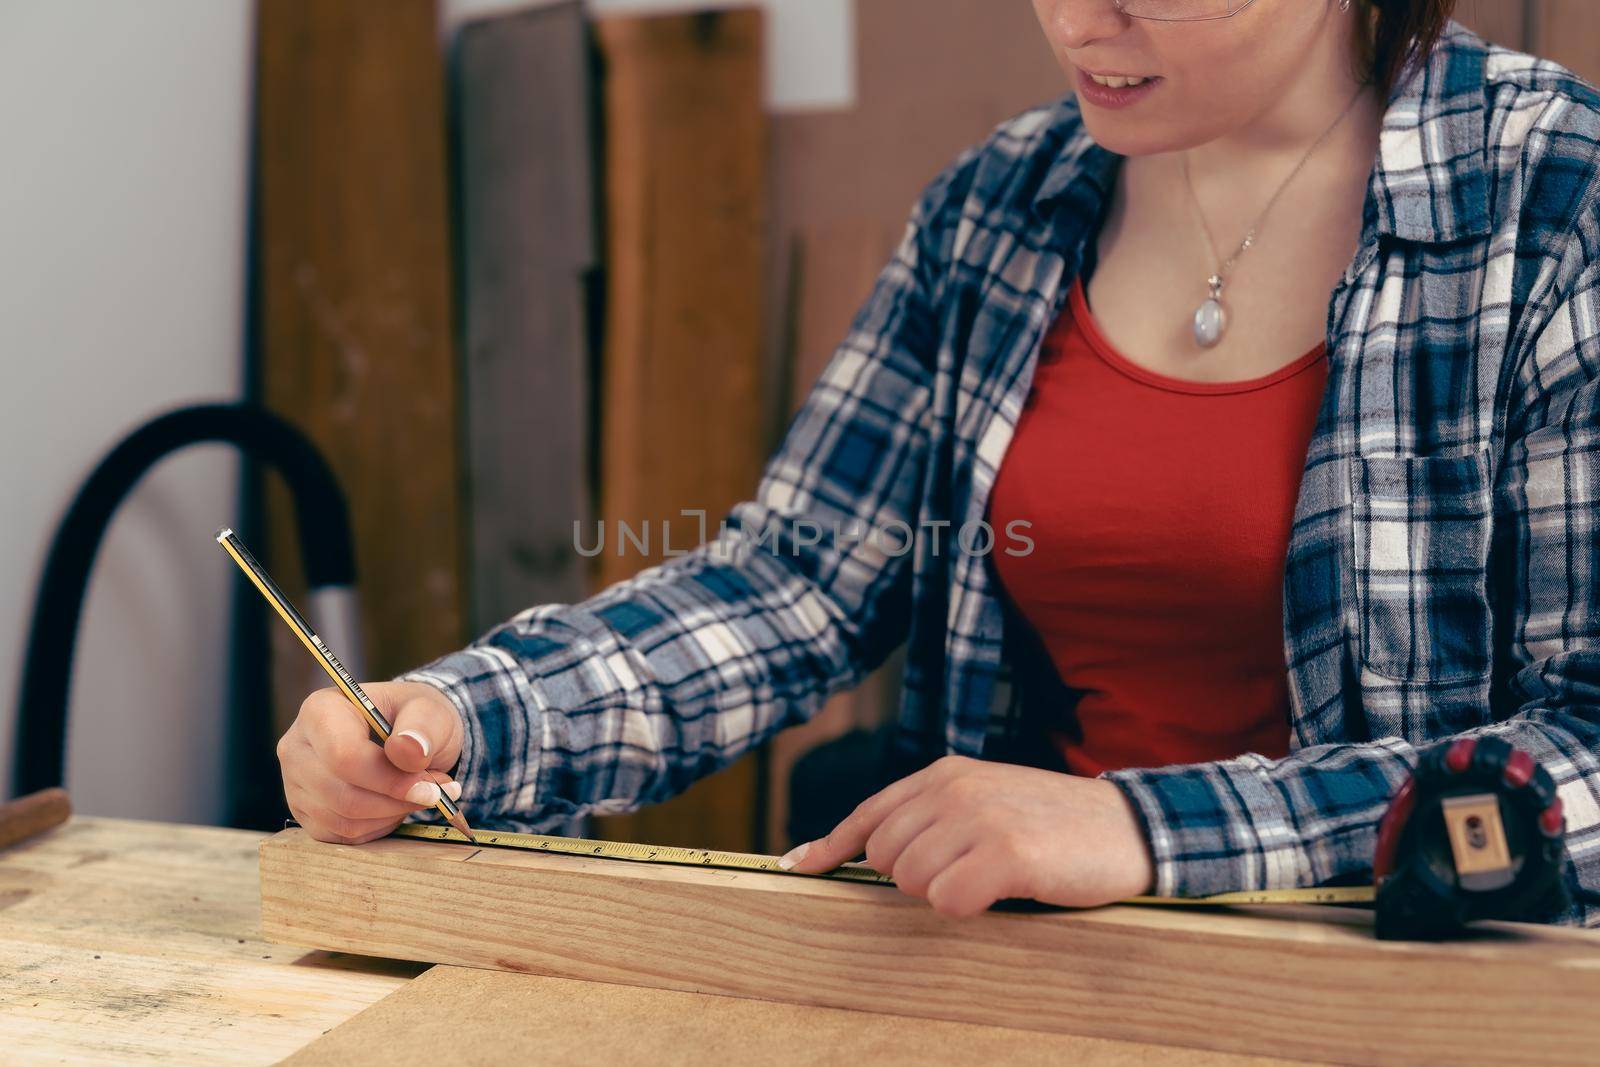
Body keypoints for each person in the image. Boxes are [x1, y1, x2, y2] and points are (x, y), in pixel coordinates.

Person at [276, 0, 1600, 924]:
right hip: (1018, 968)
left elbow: (1590, 747)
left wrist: (1144, 833)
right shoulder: (1000, 207)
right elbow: (800, 579)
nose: (1079, 22)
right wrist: (468, 719)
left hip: (1404, 998)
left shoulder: (1559, 203)